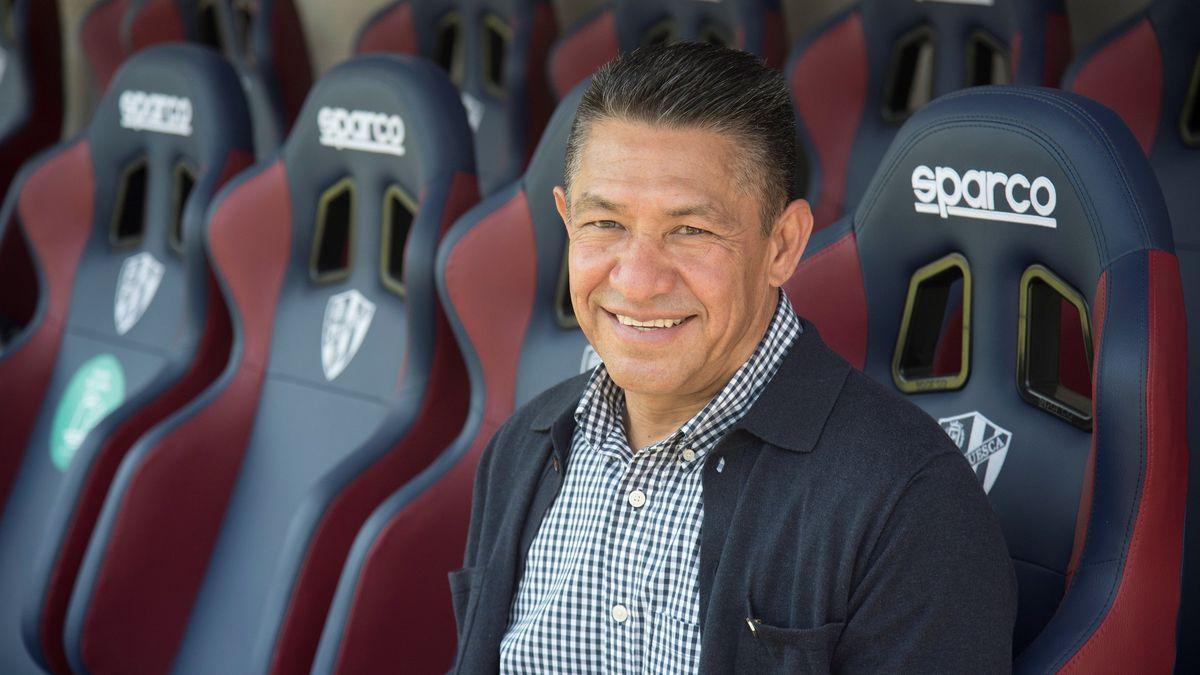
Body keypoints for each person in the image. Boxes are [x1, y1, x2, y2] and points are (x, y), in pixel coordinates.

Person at [450, 42, 1016, 673]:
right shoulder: (521, 451)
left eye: (691, 231)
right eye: (604, 224)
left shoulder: (909, 502)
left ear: (783, 245)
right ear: (565, 221)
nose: (637, 280)